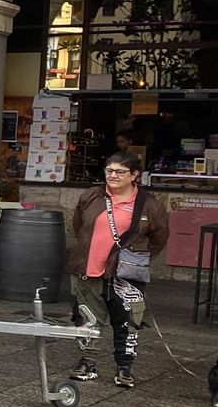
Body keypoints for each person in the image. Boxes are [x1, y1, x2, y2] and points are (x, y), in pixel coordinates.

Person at [68, 151, 168, 389]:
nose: (113, 176)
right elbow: (78, 226)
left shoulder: (149, 205)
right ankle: (87, 362)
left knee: (128, 320)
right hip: (89, 269)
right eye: (109, 170)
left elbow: (159, 237)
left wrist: (136, 258)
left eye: (120, 172)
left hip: (127, 273)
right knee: (87, 318)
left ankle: (124, 367)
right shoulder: (92, 196)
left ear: (134, 175)